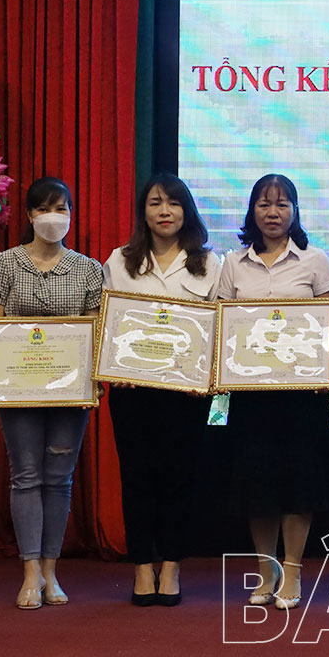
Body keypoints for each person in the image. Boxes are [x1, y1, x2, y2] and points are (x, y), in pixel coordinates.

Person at [0, 177, 104, 609]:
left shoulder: (89, 269)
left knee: (59, 479)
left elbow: (93, 333)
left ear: (71, 214)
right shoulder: (4, 265)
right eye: (44, 208)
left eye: (61, 208)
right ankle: (29, 572)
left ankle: (50, 571)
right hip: (17, 388)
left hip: (69, 391)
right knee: (25, 476)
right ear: (29, 214)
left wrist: (96, 376)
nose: (53, 217)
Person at [218, 174, 329, 610]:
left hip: (301, 393)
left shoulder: (314, 260)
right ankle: (266, 569)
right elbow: (222, 322)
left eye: (282, 204)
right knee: (258, 484)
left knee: (298, 482)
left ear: (295, 210)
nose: (273, 213)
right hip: (251, 393)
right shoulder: (233, 263)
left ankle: (292, 569)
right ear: (252, 210)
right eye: (265, 204)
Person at [103, 174, 221, 607]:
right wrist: (113, 364)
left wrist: (206, 376)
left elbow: (219, 325)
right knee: (137, 478)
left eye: (173, 203)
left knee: (179, 478)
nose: (165, 211)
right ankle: (141, 565)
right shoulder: (120, 260)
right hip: (133, 389)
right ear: (144, 212)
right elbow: (108, 322)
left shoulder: (209, 263)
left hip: (187, 393)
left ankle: (171, 565)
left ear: (187, 211)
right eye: (155, 203)